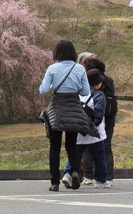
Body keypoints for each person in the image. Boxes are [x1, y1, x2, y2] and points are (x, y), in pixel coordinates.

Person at [38, 39, 95, 192]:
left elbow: (43, 90)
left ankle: (54, 182)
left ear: (57, 53)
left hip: (57, 108)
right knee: (71, 145)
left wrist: (53, 84)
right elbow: (85, 92)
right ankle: (75, 171)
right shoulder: (79, 69)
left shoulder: (52, 68)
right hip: (74, 108)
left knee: (54, 147)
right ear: (73, 52)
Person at [63, 69, 108, 189]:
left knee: (75, 156)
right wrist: (91, 127)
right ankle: (100, 180)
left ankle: (68, 174)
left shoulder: (77, 94)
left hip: (78, 133)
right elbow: (99, 114)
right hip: (95, 134)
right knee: (98, 158)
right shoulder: (99, 95)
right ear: (97, 83)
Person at [80, 55, 117, 186]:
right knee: (106, 148)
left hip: (93, 117)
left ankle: (89, 176)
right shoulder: (109, 80)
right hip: (109, 117)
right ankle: (108, 177)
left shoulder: (88, 80)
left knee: (89, 146)